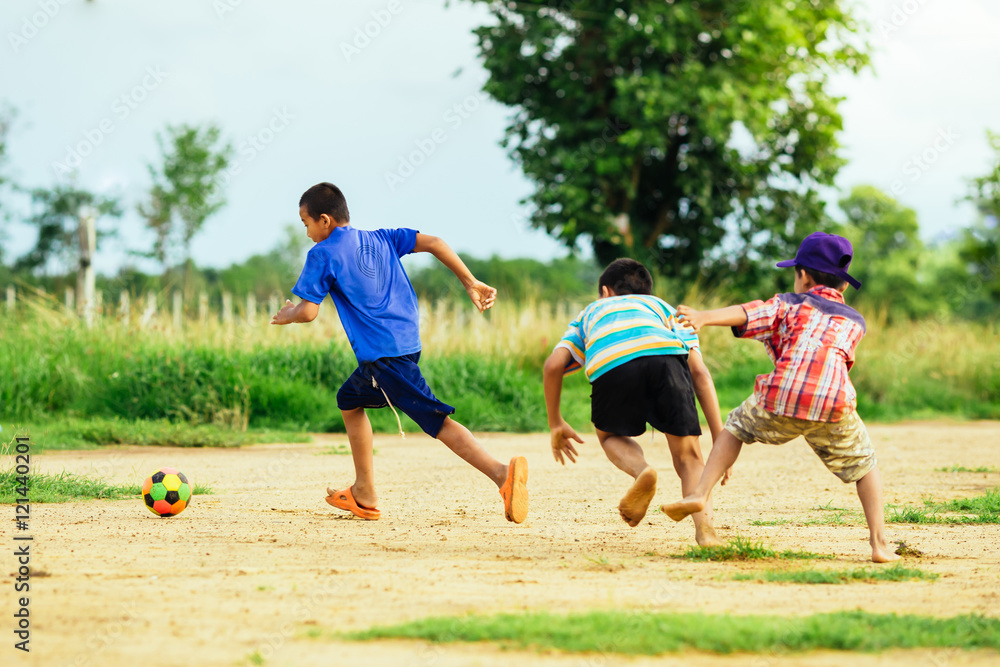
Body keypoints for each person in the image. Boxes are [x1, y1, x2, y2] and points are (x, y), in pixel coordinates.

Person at [271, 182, 528, 523]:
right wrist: (470, 281)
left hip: (384, 358)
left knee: (437, 421)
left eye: (306, 224)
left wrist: (287, 314)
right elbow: (435, 243)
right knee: (349, 400)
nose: (307, 233)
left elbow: (307, 312)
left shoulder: (322, 254)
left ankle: (501, 475)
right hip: (405, 347)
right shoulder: (383, 238)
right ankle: (364, 492)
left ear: (325, 220)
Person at [661, 232, 900, 563]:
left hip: (782, 395)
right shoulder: (855, 321)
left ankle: (700, 493)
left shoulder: (788, 304)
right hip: (832, 402)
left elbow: (750, 312)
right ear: (844, 284)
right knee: (866, 465)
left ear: (803, 276)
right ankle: (879, 544)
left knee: (735, 427)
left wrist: (704, 317)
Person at [543, 258, 726, 545]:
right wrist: (720, 439)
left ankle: (642, 471)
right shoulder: (662, 307)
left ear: (605, 292)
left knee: (609, 436)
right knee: (689, 456)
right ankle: (706, 532)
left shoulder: (591, 311)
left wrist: (555, 422)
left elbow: (553, 365)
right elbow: (700, 373)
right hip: (667, 362)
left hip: (613, 367)